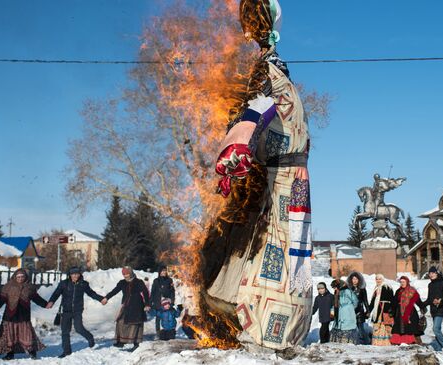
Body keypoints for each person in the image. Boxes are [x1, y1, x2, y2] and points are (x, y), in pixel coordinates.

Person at [194, 0, 313, 350]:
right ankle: (237, 316)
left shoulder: (268, 71)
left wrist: (239, 139)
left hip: (283, 181)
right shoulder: (272, 70)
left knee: (275, 245)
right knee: (265, 241)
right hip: (285, 177)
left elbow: (259, 106)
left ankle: (265, 328)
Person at [46, 266, 106, 358]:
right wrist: (51, 302)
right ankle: (66, 351)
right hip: (66, 310)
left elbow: (91, 293)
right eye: (73, 274)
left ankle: (90, 337)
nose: (75, 276)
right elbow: (56, 293)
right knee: (65, 331)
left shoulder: (83, 284)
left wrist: (101, 299)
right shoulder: (64, 284)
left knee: (79, 328)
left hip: (77, 310)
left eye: (77, 274)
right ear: (70, 275)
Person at [0, 269, 48, 360]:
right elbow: (1, 299)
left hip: (23, 315)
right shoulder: (8, 287)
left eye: (22, 277)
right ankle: (10, 353)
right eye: (18, 277)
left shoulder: (29, 287)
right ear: (15, 277)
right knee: (10, 335)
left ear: (25, 277)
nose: (20, 278)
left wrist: (45, 304)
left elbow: (37, 298)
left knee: (27, 334)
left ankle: (32, 352)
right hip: (10, 315)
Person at [105, 267, 151, 351]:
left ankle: (136, 343)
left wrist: (147, 304)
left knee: (135, 324)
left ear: (131, 273)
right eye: (124, 274)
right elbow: (114, 291)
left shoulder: (138, 282)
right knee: (120, 321)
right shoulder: (122, 283)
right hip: (126, 305)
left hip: (137, 305)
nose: (125, 276)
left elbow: (145, 292)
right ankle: (121, 341)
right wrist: (106, 298)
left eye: (127, 274)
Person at [422, 266, 443, 355]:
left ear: (437, 273)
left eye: (433, 273)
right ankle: (440, 346)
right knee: (437, 330)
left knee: (435, 329)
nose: (431, 275)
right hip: (433, 310)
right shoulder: (430, 285)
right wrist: (422, 304)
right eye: (430, 273)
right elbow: (430, 299)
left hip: (441, 309)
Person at [390, 276, 422, 345]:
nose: (402, 283)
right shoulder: (398, 291)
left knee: (409, 327)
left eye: (403, 282)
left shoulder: (412, 291)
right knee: (399, 327)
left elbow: (418, 301)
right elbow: (394, 302)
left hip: (410, 311)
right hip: (399, 312)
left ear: (407, 282)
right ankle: (399, 341)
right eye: (401, 282)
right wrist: (391, 310)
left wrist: (423, 307)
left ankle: (411, 341)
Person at [329, 279, 358, 344]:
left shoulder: (347, 291)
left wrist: (350, 308)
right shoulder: (337, 292)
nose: (334, 289)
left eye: (335, 287)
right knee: (339, 327)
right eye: (333, 288)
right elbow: (335, 303)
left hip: (347, 312)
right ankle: (339, 342)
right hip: (339, 312)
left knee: (347, 327)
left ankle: (348, 342)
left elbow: (355, 301)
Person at [368, 274, 394, 346]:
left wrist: (391, 309)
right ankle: (377, 342)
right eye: (377, 279)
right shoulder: (376, 288)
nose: (378, 280)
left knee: (384, 325)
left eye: (380, 279)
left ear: (382, 279)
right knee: (377, 325)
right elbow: (373, 301)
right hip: (378, 309)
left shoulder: (387, 287)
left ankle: (385, 342)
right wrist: (369, 311)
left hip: (385, 309)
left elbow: (392, 299)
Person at [150, 265, 175, 337]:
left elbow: (172, 292)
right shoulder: (156, 281)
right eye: (162, 271)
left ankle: (169, 333)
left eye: (165, 270)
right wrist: (150, 303)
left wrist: (172, 301)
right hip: (157, 302)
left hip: (166, 302)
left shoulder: (169, 280)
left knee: (168, 317)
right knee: (158, 318)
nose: (164, 272)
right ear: (159, 272)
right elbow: (153, 292)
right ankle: (158, 333)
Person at [347, 272, 370, 344]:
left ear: (359, 280)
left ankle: (364, 342)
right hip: (350, 311)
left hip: (360, 311)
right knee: (351, 328)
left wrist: (368, 310)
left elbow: (365, 300)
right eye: (353, 279)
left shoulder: (362, 289)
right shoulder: (349, 289)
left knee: (360, 327)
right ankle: (353, 341)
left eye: (356, 279)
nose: (354, 281)